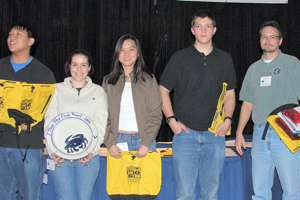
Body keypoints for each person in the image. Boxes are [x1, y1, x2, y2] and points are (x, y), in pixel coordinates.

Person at [159, 9, 236, 200]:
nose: (203, 30)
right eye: (199, 26)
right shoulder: (180, 58)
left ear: (214, 30)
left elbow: (230, 94)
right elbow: (162, 90)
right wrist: (171, 121)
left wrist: (227, 120)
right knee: (184, 194)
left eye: (208, 26)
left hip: (214, 135)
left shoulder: (225, 59)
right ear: (192, 30)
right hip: (185, 136)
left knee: (210, 194)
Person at [235, 21, 300, 200]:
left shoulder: (292, 63)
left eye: (272, 37)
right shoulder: (253, 69)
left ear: (280, 41)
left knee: (292, 191)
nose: (268, 40)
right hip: (260, 134)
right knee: (260, 192)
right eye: (264, 37)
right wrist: (239, 132)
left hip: (287, 133)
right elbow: (247, 103)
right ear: (260, 41)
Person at [0, 23, 56, 200]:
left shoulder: (43, 74)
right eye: (10, 34)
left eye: (18, 34)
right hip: (1, 144)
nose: (11, 38)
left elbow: (48, 113)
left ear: (31, 41)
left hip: (29, 146)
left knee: (31, 195)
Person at [44, 49, 108, 199]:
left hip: (88, 159)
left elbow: (101, 123)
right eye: (75, 64)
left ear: (89, 67)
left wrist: (92, 150)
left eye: (83, 65)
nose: (79, 69)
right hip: (60, 158)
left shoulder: (98, 92)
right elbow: (49, 121)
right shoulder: (55, 89)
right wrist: (52, 150)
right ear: (69, 66)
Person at [102, 34, 162, 159]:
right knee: (118, 179)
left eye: (131, 49)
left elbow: (155, 114)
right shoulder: (108, 82)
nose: (127, 53)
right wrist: (110, 143)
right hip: (117, 143)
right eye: (122, 50)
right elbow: (102, 115)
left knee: (146, 179)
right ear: (117, 54)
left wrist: (145, 144)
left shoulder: (149, 80)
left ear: (138, 53)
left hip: (145, 142)